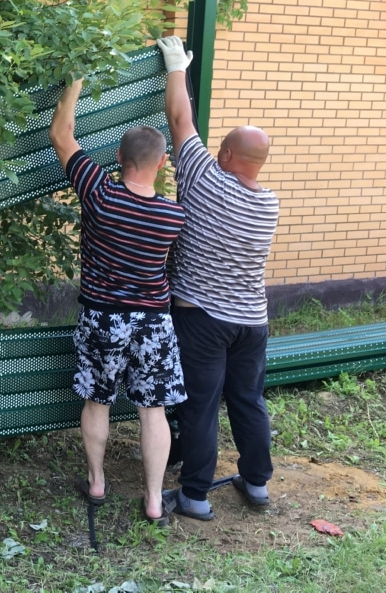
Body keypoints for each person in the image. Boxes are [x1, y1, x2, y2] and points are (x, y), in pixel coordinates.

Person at [49, 76, 187, 527]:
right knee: (153, 411)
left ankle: (96, 483)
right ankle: (153, 500)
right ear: (162, 163)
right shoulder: (172, 215)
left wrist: (75, 82)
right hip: (154, 323)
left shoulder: (100, 192)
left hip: (103, 318)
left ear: (116, 158)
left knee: (98, 402)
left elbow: (61, 135)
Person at [157, 35, 281, 521]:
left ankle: (195, 495)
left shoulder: (204, 179)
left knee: (202, 404)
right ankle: (257, 483)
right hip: (252, 321)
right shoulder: (269, 204)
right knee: (248, 399)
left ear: (225, 153)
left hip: (203, 319)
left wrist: (175, 67)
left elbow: (179, 120)